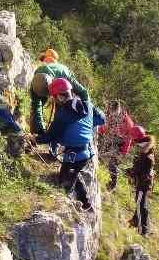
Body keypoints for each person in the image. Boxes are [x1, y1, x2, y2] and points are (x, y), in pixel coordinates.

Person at [36, 77, 106, 211]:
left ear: (60, 97)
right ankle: (86, 203)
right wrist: (87, 123)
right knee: (73, 174)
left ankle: (72, 209)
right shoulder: (88, 105)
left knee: (64, 184)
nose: (54, 101)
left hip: (74, 156)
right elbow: (102, 119)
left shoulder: (63, 114)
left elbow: (50, 136)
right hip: (86, 154)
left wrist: (35, 139)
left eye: (54, 98)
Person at [28, 49, 91, 139]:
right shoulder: (35, 84)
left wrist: (88, 111)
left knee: (62, 110)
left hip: (62, 85)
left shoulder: (64, 74)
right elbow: (36, 107)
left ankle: (57, 140)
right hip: (49, 85)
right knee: (35, 111)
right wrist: (40, 130)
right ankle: (36, 137)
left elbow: (83, 92)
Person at [128, 135, 156, 235]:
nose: (139, 148)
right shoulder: (149, 155)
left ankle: (144, 230)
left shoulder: (146, 158)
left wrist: (131, 172)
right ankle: (136, 221)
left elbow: (138, 170)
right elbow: (138, 169)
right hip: (145, 184)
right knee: (141, 204)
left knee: (141, 205)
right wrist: (132, 171)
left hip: (143, 185)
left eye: (140, 146)